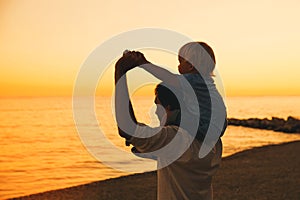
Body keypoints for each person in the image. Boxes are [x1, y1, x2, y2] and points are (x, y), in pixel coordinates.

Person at [114, 57, 223, 199]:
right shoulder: (213, 141)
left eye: (157, 105)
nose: (155, 111)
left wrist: (120, 73)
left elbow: (127, 128)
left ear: (169, 107)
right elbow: (180, 158)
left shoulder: (177, 139)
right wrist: (147, 147)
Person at [121, 42, 227, 156]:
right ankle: (154, 146)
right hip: (216, 127)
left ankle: (154, 146)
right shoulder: (205, 83)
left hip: (206, 127)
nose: (178, 66)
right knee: (178, 116)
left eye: (181, 62)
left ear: (191, 66)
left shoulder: (196, 80)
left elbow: (168, 77)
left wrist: (143, 63)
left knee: (173, 116)